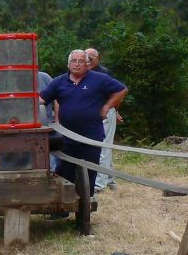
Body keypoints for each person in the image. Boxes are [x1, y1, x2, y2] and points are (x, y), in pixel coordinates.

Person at [39, 49, 127, 197]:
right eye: (74, 61)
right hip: (66, 137)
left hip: (91, 136)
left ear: (87, 64)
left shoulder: (99, 79)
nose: (77, 65)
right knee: (64, 173)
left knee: (88, 174)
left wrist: (107, 107)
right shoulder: (58, 82)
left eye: (81, 61)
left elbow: (121, 90)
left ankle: (84, 208)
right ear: (68, 64)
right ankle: (63, 209)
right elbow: (41, 99)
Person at [86, 48, 120, 192]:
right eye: (85, 59)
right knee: (105, 147)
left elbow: (118, 92)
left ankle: (98, 185)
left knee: (101, 147)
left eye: (90, 59)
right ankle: (111, 180)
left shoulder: (104, 73)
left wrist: (112, 109)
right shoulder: (85, 73)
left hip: (104, 113)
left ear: (98, 58)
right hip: (92, 113)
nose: (87, 62)